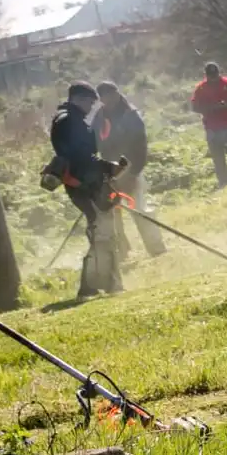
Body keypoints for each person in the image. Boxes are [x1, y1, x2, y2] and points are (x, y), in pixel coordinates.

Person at [50, 81, 121, 298]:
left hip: (85, 182)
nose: (91, 107)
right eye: (89, 102)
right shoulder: (70, 121)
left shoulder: (67, 120)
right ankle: (90, 286)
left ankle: (109, 283)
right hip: (83, 184)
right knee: (101, 232)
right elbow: (81, 157)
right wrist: (107, 166)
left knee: (104, 231)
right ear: (78, 99)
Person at [95, 81, 164, 258]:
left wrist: (132, 173)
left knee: (140, 210)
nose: (108, 99)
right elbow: (95, 143)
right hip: (109, 171)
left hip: (130, 169)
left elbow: (140, 147)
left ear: (117, 94)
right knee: (112, 215)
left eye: (110, 94)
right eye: (104, 96)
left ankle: (156, 248)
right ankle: (121, 252)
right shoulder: (100, 117)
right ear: (101, 99)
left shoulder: (131, 115)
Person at [190, 62, 227, 188]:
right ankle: (223, 183)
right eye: (210, 76)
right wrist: (209, 108)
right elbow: (194, 106)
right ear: (206, 75)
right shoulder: (201, 88)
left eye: (215, 75)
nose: (213, 78)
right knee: (218, 157)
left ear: (218, 73)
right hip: (212, 127)